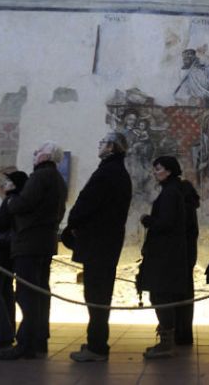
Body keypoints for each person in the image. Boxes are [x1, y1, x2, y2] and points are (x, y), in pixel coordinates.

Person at [63, 132, 132, 362]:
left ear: (112, 147)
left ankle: (97, 346)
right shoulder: (117, 171)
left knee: (96, 296)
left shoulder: (108, 172)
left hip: (99, 243)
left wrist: (72, 223)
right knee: (97, 295)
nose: (99, 145)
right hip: (105, 241)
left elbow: (88, 203)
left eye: (102, 142)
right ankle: (96, 342)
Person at [0, 141, 68, 360]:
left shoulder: (39, 177)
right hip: (45, 241)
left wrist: (10, 200)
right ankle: (39, 339)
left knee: (26, 294)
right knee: (39, 293)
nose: (34, 153)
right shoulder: (58, 179)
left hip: (29, 242)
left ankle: (25, 344)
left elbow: (23, 204)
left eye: (38, 151)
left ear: (46, 155)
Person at [138, 156, 189, 359]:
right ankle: (166, 341)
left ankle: (166, 344)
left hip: (164, 256)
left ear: (168, 171)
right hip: (168, 254)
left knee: (161, 296)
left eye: (158, 168)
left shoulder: (170, 193)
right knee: (162, 296)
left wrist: (147, 220)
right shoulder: (173, 191)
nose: (155, 172)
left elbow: (166, 223)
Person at [0, 171, 28, 349]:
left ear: (15, 184)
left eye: (8, 181)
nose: (4, 183)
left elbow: (0, 223)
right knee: (5, 291)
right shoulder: (19, 201)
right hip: (9, 252)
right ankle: (7, 332)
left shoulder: (11, 201)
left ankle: (1, 334)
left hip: (0, 252)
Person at [174, 178, 200, 346]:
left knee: (179, 297)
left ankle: (180, 332)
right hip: (188, 257)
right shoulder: (191, 208)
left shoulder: (183, 209)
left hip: (180, 257)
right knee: (185, 296)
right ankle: (184, 333)